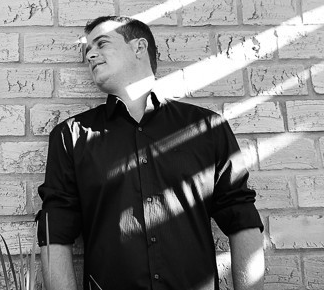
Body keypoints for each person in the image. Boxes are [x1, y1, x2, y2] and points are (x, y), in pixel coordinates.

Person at [37, 15, 264, 290]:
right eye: (88, 50)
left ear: (139, 47)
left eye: (101, 43)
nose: (91, 54)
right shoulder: (70, 137)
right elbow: (55, 234)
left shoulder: (208, 128)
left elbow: (242, 218)